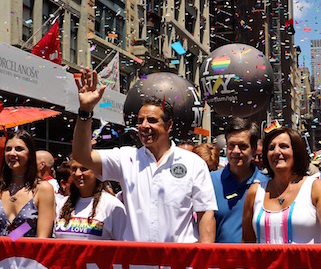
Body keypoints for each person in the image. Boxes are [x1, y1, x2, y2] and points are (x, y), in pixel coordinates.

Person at [73, 68, 217, 242]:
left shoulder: (193, 163)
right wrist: (85, 111)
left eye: (152, 120)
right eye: (140, 121)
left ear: (169, 125)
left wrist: (203, 263)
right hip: (136, 264)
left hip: (180, 264)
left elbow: (205, 215)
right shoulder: (126, 158)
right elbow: (82, 156)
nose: (144, 126)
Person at [242, 126, 321, 244]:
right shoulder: (255, 191)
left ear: (296, 152)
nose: (276, 151)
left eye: (283, 146)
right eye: (271, 148)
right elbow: (247, 243)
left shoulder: (316, 187)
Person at [0, 130, 55, 238]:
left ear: (30, 154)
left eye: (19, 149)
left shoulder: (43, 189)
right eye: (8, 149)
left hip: (28, 254)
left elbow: (43, 238)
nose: (12, 153)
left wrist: (13, 238)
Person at [210, 118, 266, 243]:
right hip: (219, 260)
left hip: (255, 260)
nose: (235, 151)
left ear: (254, 149)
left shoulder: (267, 185)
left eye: (242, 146)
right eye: (231, 145)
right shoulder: (210, 182)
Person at [55, 158, 128, 240]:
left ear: (97, 172)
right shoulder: (63, 204)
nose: (78, 173)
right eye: (74, 169)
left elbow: (123, 247)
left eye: (84, 169)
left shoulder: (113, 206)